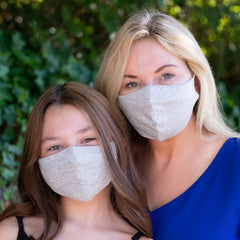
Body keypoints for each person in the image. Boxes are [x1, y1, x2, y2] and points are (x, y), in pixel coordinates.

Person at [94, 9, 240, 240]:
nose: (151, 94)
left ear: (197, 82)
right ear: (116, 96)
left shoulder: (235, 162)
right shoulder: (111, 171)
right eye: (132, 84)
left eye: (166, 75)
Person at [0, 82, 152, 240]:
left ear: (120, 145)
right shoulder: (10, 233)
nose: (74, 156)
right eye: (55, 147)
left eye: (88, 139)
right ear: (38, 162)